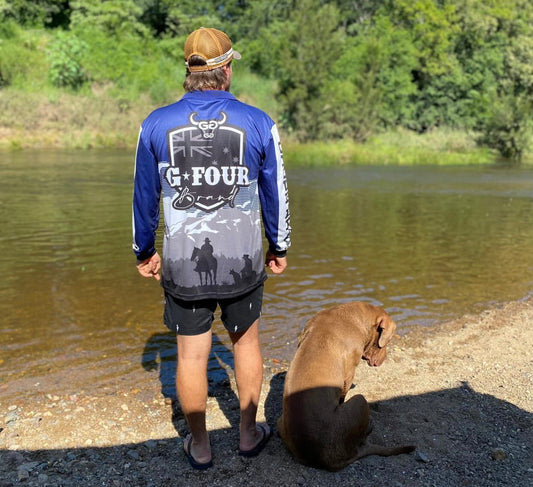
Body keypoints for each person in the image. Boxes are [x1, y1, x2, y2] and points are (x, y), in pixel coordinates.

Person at [132, 27, 291, 470]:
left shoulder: (156, 123)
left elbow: (143, 196)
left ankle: (200, 446)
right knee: (246, 344)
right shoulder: (259, 122)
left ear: (190, 71)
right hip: (242, 261)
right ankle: (246, 433)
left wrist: (144, 251)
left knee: (190, 354)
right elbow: (275, 190)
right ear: (226, 69)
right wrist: (279, 244)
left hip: (183, 263)